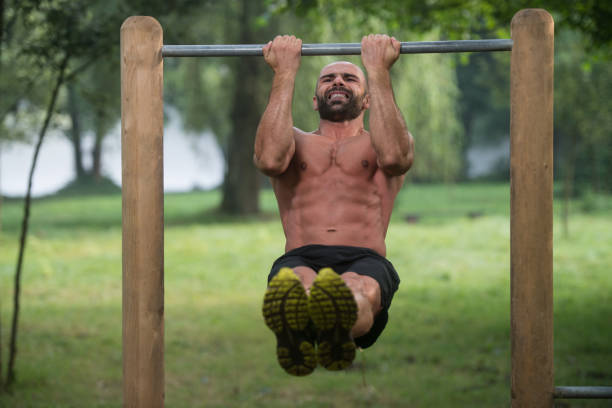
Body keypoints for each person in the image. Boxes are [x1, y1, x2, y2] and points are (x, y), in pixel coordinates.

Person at [256, 34, 414, 376]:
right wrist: (284, 72)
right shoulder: (292, 142)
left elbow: (397, 158)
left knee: (355, 289)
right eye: (328, 78)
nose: (338, 81)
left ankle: (324, 329)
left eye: (349, 78)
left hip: (364, 257)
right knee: (299, 286)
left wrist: (377, 68)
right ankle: (309, 327)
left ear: (368, 98)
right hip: (302, 254)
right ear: (314, 100)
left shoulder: (383, 143)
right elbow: (268, 159)